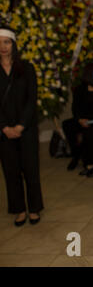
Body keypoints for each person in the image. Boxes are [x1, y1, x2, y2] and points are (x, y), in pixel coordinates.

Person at [0, 26, 43, 226]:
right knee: (11, 171)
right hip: (3, 131)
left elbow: (31, 99)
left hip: (26, 128)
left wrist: (20, 126)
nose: (3, 46)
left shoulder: (26, 68)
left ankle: (34, 208)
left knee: (31, 169)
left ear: (13, 44)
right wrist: (5, 128)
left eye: (6, 42)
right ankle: (19, 209)